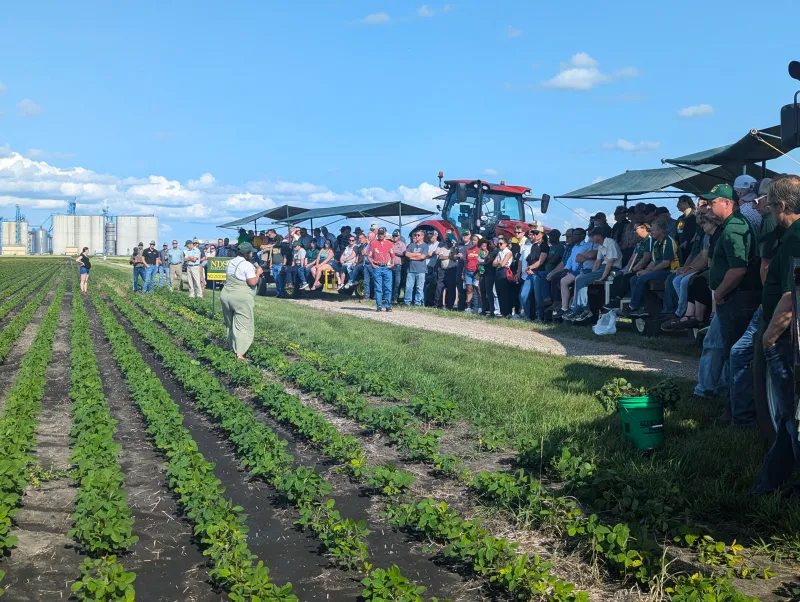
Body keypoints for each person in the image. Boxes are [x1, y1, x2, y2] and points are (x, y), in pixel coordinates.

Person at [751, 175, 800, 494]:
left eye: (769, 207)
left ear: (782, 205)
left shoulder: (796, 236)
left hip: (787, 339)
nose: (767, 213)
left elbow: (792, 293)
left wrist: (769, 335)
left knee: (790, 416)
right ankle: (770, 483)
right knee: (790, 418)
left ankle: (772, 484)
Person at [704, 182, 761, 426]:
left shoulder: (734, 228)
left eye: (713, 202)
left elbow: (738, 269)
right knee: (731, 354)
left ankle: (739, 413)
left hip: (737, 299)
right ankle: (734, 408)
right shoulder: (729, 226)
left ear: (728, 203)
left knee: (736, 356)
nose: (708, 206)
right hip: (735, 298)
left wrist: (719, 294)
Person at [565, 227, 622, 322]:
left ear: (599, 236)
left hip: (612, 269)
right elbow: (598, 262)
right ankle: (583, 308)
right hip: (602, 269)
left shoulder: (610, 242)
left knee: (580, 280)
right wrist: (592, 275)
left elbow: (610, 262)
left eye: (592, 236)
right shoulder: (600, 245)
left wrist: (602, 276)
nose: (591, 238)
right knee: (582, 280)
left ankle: (581, 309)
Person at [622, 221, 677, 317]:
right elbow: (653, 262)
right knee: (634, 278)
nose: (651, 232)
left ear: (660, 231)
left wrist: (648, 272)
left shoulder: (668, 241)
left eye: (653, 230)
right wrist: (644, 270)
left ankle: (633, 306)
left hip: (670, 271)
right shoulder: (656, 243)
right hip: (659, 270)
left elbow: (665, 263)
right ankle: (641, 307)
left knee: (643, 277)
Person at [220, 242, 262, 361]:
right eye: (251, 252)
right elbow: (252, 282)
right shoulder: (246, 265)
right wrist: (258, 273)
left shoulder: (230, 262)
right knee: (243, 324)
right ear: (247, 253)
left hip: (226, 295)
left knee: (230, 324)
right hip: (240, 297)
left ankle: (232, 347)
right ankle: (240, 353)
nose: (252, 254)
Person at [604, 222, 652, 309]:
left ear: (643, 228)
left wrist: (633, 269)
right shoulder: (639, 243)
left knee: (627, 278)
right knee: (618, 277)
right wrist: (628, 269)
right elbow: (632, 258)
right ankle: (615, 300)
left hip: (646, 267)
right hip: (635, 267)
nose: (634, 232)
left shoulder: (650, 240)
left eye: (636, 229)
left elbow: (645, 259)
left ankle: (630, 304)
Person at [518, 222, 548, 320]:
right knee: (523, 295)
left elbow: (541, 262)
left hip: (539, 273)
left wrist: (530, 268)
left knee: (538, 297)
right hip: (531, 273)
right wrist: (528, 268)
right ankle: (527, 315)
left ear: (542, 234)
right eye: (533, 233)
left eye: (536, 233)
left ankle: (540, 317)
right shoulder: (533, 246)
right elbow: (529, 259)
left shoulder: (544, 246)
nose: (534, 235)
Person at [368, 227, 394, 311]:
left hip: (386, 267)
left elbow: (392, 255)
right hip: (377, 266)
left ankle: (388, 306)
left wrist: (393, 263)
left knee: (388, 287)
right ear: (377, 234)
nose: (381, 235)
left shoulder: (389, 243)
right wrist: (372, 264)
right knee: (378, 288)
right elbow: (369, 255)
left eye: (382, 234)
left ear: (385, 234)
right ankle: (379, 306)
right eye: (379, 234)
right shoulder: (373, 243)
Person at [403, 230, 429, 306]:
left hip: (421, 270)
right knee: (408, 287)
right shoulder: (411, 245)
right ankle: (407, 302)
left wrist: (412, 257)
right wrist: (417, 254)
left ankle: (417, 303)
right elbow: (407, 254)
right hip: (411, 270)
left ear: (422, 236)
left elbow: (422, 256)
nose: (416, 236)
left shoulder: (425, 246)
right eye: (416, 235)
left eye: (418, 235)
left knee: (419, 288)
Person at [492, 236, 513, 318]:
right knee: (499, 292)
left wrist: (499, 262)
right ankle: (502, 311)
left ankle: (507, 312)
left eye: (501, 244)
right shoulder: (500, 252)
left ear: (506, 244)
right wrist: (499, 262)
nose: (499, 245)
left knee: (504, 293)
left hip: (504, 271)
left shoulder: (508, 252)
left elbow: (503, 264)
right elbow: (494, 263)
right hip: (498, 271)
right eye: (498, 244)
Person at [434, 239, 458, 310]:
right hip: (442, 270)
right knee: (439, 287)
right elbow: (440, 257)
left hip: (452, 270)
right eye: (447, 242)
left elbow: (455, 257)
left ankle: (450, 305)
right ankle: (437, 304)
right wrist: (450, 257)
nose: (448, 244)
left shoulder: (455, 249)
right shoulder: (443, 248)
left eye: (450, 242)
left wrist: (453, 247)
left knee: (451, 288)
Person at [676, 195, 697, 264]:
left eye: (679, 203)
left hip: (691, 247)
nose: (677, 205)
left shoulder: (694, 216)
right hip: (681, 248)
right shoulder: (680, 219)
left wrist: (687, 242)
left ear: (686, 203)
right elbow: (677, 232)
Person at [479, 239, 498, 317]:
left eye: (491, 243)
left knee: (489, 293)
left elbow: (488, 262)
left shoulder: (496, 252)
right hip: (485, 273)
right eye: (489, 244)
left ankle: (492, 311)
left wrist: (480, 263)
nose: (489, 245)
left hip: (491, 274)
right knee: (483, 292)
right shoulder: (490, 251)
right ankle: (483, 310)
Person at [464, 234, 481, 313]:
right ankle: (468, 307)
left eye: (475, 240)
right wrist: (462, 272)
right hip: (468, 272)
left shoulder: (480, 250)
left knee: (478, 290)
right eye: (473, 240)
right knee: (469, 289)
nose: (473, 241)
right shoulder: (468, 250)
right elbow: (466, 262)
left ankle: (479, 307)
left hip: (476, 272)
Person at [423, 230, 440, 306]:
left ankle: (434, 301)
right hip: (427, 266)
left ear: (436, 236)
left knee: (434, 285)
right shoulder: (427, 245)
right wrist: (431, 253)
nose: (430, 238)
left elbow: (436, 253)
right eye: (429, 236)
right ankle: (426, 301)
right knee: (426, 285)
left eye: (431, 236)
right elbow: (426, 255)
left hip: (435, 267)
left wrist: (432, 253)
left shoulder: (439, 244)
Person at [390, 230, 407, 304]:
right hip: (390, 266)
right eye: (393, 236)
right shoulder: (390, 244)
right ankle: (390, 298)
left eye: (396, 236)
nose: (394, 237)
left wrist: (394, 252)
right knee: (390, 283)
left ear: (399, 236)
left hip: (398, 266)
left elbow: (404, 254)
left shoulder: (402, 244)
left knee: (397, 282)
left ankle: (395, 298)